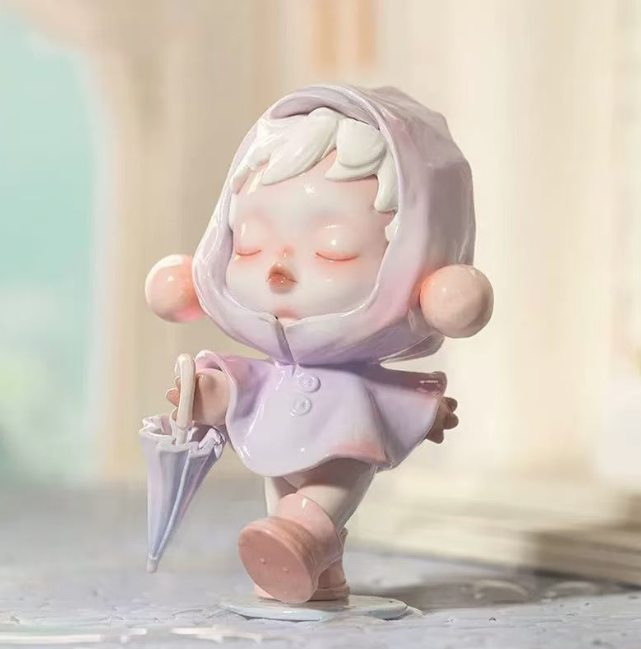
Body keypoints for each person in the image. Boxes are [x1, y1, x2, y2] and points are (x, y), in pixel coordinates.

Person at [146, 85, 493, 604]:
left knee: (321, 497)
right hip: (275, 440)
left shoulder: (356, 386)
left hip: (345, 439)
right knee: (280, 494)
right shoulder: (275, 366)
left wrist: (428, 411)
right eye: (250, 245)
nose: (278, 271)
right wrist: (208, 394)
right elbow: (240, 389)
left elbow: (393, 402)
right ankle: (317, 575)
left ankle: (303, 536)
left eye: (333, 250)